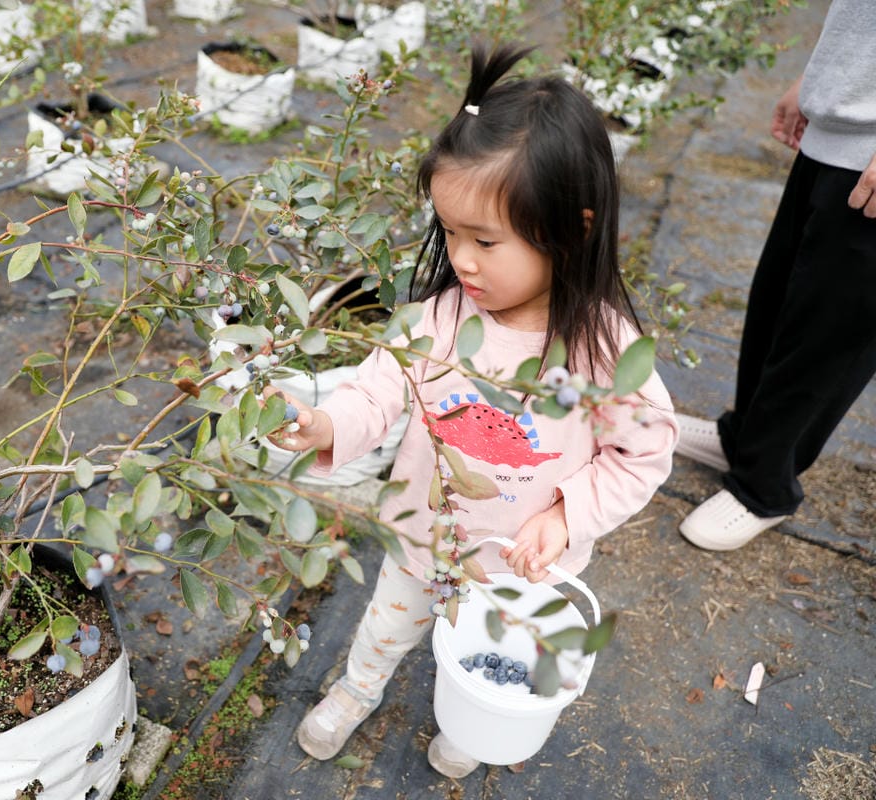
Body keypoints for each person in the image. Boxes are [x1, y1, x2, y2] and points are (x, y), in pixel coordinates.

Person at [265, 44, 677, 779]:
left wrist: (567, 514)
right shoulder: (441, 319)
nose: (461, 259)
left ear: (572, 229)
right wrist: (327, 425)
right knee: (386, 629)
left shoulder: (604, 352)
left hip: (521, 570)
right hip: (424, 539)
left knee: (491, 659)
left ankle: (470, 722)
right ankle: (357, 689)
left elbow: (641, 453)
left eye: (485, 240)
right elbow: (378, 389)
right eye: (450, 232)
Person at [675, 0, 876, 552]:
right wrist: (820, 77)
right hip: (843, 122)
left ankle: (765, 485)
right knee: (779, 300)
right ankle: (744, 438)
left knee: (830, 333)